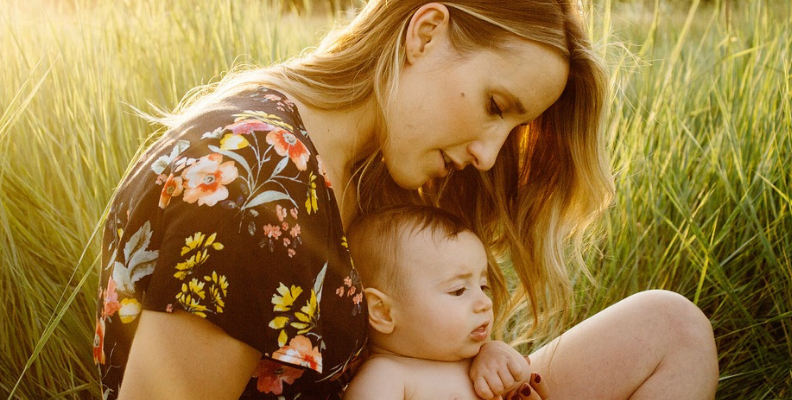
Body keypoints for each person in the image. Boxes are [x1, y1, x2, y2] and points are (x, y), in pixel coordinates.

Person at [94, 1, 719, 399]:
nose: (490, 155)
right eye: (495, 107)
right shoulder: (253, 188)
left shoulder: (357, 163)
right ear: (425, 33)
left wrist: (479, 358)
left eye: (512, 130)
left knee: (671, 330)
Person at [344, 204, 549, 400]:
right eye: (458, 290)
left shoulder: (479, 359)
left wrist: (504, 363)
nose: (485, 302)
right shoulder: (386, 377)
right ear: (383, 312)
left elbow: (522, 385)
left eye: (483, 286)